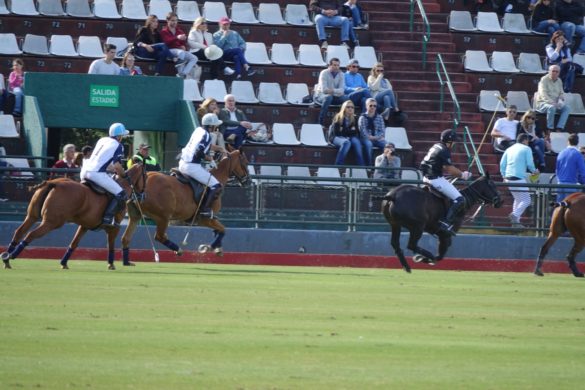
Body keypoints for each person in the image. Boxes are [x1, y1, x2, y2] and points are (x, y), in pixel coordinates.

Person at [420, 129, 472, 235]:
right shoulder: (444, 150)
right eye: (454, 141)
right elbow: (450, 169)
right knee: (460, 199)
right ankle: (445, 224)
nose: (454, 143)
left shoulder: (436, 145)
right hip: (434, 179)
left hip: (426, 177)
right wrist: (463, 175)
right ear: (449, 141)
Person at [80, 123, 130, 228]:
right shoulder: (118, 145)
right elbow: (117, 165)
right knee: (121, 194)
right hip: (96, 174)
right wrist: (123, 174)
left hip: (84, 171)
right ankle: (107, 219)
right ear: (119, 136)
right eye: (122, 136)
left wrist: (114, 170)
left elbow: (104, 161)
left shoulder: (102, 140)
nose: (122, 138)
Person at [178, 113, 223, 219]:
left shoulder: (198, 130)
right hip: (192, 166)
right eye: (215, 125)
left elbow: (206, 146)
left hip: (182, 163)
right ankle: (205, 210)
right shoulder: (207, 135)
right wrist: (209, 158)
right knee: (216, 185)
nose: (216, 127)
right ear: (211, 126)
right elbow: (199, 152)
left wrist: (220, 149)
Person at [500, 133, 539, 227]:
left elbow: (502, 164)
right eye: (528, 140)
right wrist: (535, 171)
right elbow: (530, 164)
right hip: (519, 178)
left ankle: (515, 223)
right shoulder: (526, 149)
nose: (528, 142)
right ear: (525, 140)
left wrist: (504, 176)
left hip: (508, 179)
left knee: (517, 200)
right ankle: (515, 215)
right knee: (527, 200)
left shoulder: (509, 149)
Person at [161, 12, 199, 79]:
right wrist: (177, 38)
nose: (175, 22)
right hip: (169, 50)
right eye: (172, 20)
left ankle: (183, 73)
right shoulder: (164, 31)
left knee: (194, 58)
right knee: (181, 52)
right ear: (167, 21)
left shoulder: (180, 31)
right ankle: (180, 74)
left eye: (176, 20)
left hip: (179, 50)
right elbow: (166, 42)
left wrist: (184, 46)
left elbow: (183, 43)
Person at [535, 64, 571, 133]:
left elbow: (561, 92)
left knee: (567, 108)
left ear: (559, 73)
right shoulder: (544, 80)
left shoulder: (559, 81)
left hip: (556, 103)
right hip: (542, 103)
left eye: (556, 71)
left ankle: (559, 128)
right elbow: (543, 94)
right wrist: (552, 102)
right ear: (549, 71)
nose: (554, 73)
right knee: (551, 108)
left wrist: (561, 97)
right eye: (553, 71)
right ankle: (550, 129)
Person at [328, 100, 365, 166]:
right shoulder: (338, 117)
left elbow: (355, 132)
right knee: (346, 142)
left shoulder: (355, 118)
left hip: (348, 137)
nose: (350, 108)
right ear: (344, 108)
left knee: (357, 142)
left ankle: (361, 166)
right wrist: (349, 131)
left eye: (352, 107)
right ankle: (338, 165)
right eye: (348, 107)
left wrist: (344, 130)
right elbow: (337, 132)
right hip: (336, 137)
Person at [314, 57, 348, 126]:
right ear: (330, 65)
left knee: (346, 99)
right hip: (320, 95)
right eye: (334, 65)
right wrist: (336, 91)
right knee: (328, 98)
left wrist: (332, 90)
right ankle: (320, 122)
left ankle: (341, 122)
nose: (336, 67)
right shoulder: (324, 73)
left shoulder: (341, 74)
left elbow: (342, 90)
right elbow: (324, 90)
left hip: (334, 96)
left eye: (338, 65)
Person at [555, 134, 585, 202]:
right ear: (577, 142)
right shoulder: (578, 154)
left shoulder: (560, 153)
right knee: (570, 209)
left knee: (559, 208)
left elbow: (557, 170)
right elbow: (583, 172)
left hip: (559, 184)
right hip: (571, 185)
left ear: (568, 141)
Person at [358, 98, 386, 166]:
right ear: (366, 106)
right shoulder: (362, 117)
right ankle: (369, 165)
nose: (373, 107)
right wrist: (370, 137)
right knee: (368, 144)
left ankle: (383, 165)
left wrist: (376, 137)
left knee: (387, 145)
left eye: (374, 106)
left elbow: (382, 131)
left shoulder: (379, 117)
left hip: (377, 138)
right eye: (370, 105)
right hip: (365, 138)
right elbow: (362, 131)